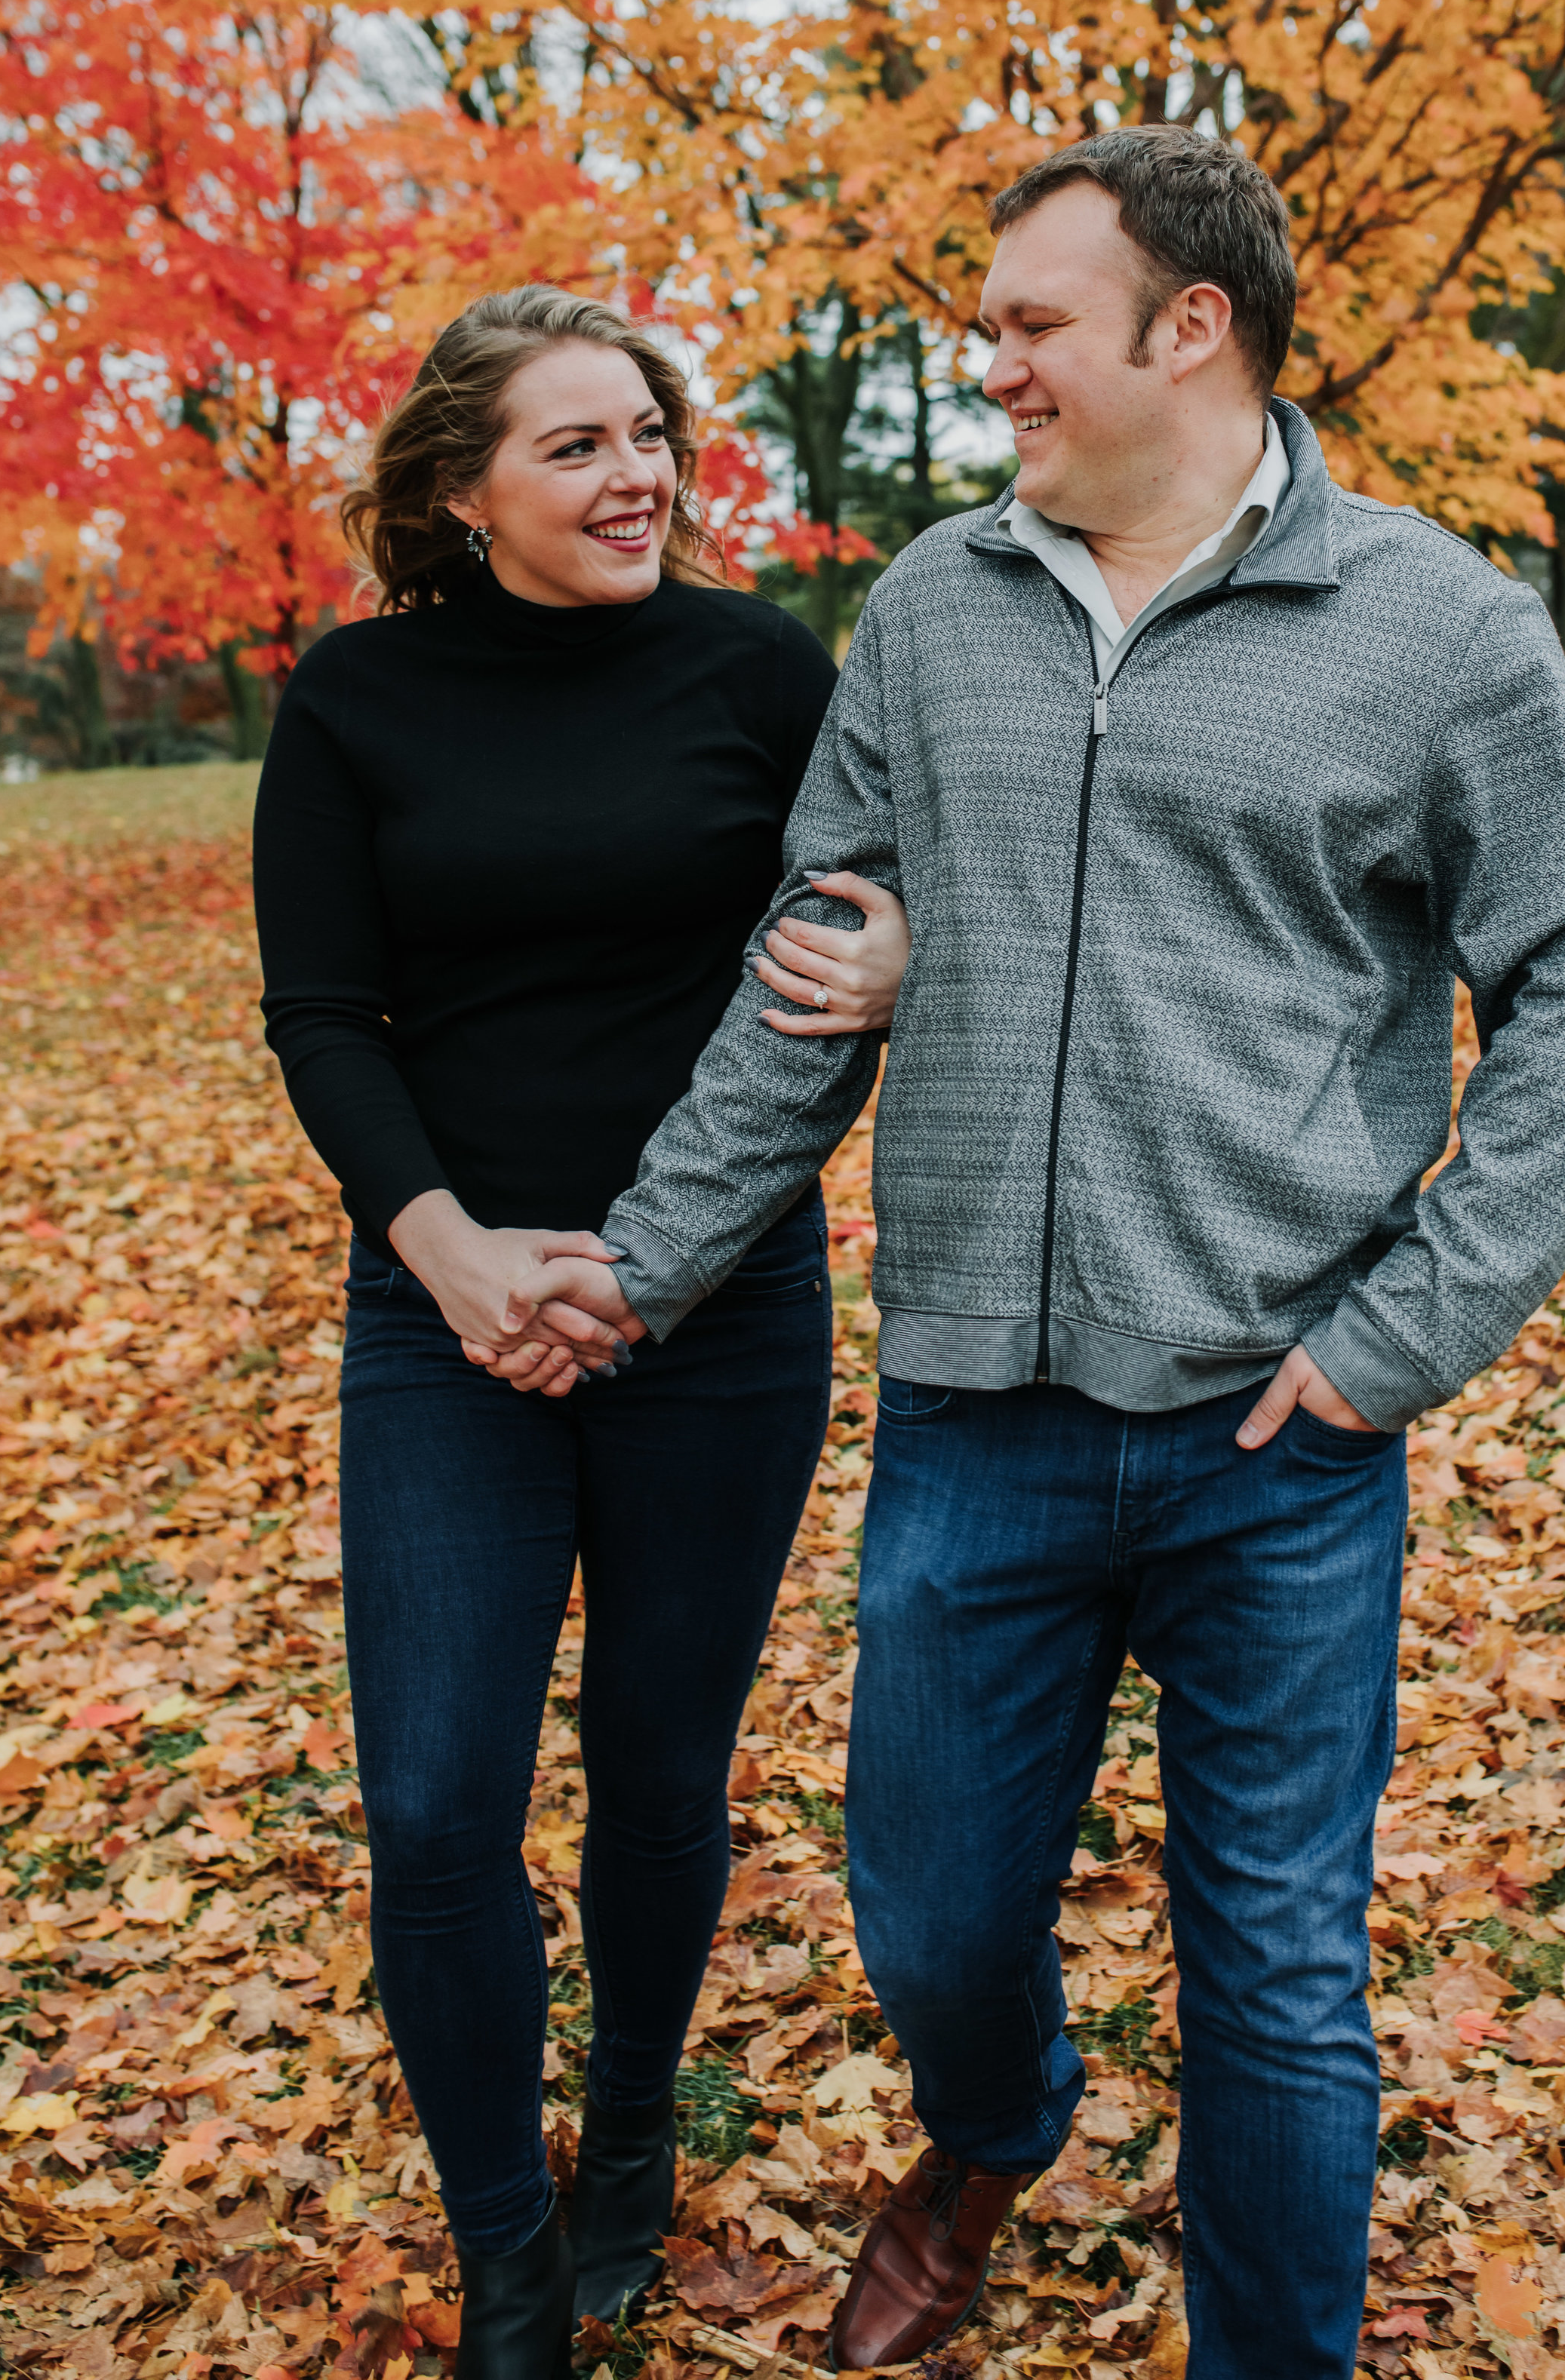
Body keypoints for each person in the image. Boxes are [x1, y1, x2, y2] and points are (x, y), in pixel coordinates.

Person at [499, 132, 1565, 2378]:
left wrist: (1406, 1332)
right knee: (931, 1931)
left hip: (1279, 1434)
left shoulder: (1435, 630)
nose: (993, 361)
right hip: (975, 1421)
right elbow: (808, 964)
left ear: (1186, 327)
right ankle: (996, 2125)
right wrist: (639, 1261)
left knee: (1277, 1986)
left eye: (1031, 320)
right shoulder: (937, 604)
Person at [251, 287, 909, 2380]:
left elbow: (842, 946)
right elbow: (321, 1017)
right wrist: (445, 1250)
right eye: (576, 445)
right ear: (462, 488)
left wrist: (897, 956)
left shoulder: (751, 670)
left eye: (648, 434)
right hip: (443, 1316)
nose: (637, 475)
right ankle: (509, 2251)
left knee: (655, 1765)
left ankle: (629, 2126)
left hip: (715, 1315)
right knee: (438, 1804)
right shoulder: (353, 699)